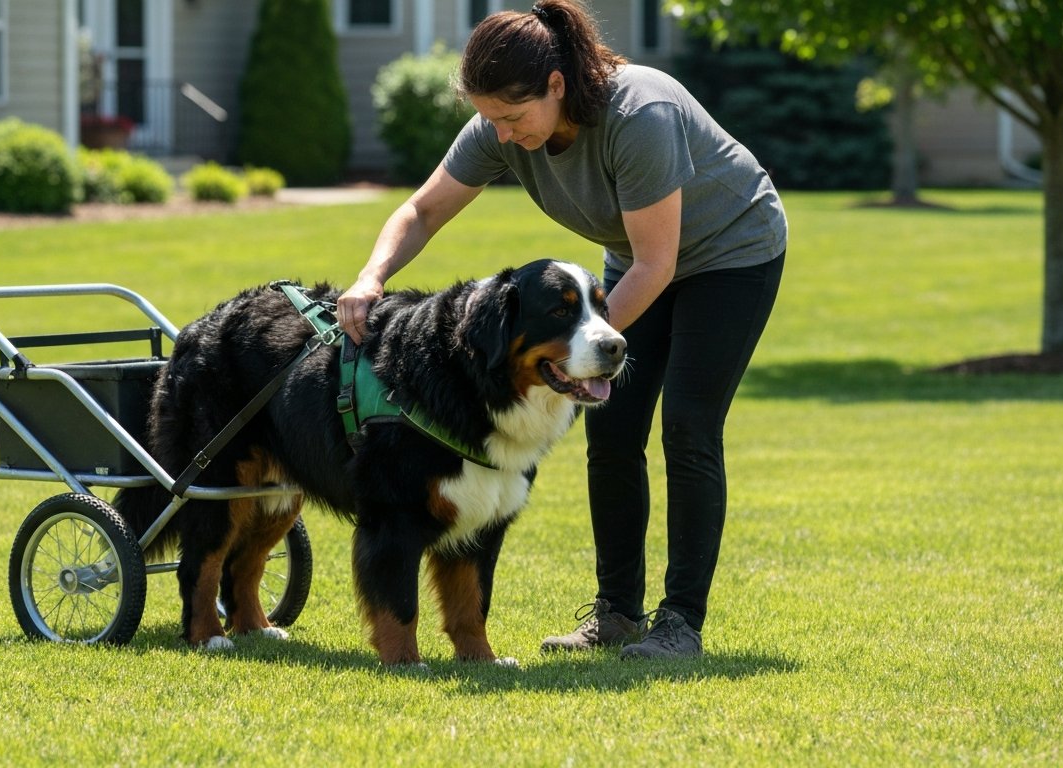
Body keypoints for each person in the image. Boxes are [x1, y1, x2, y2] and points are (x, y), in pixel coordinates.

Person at [336, 0, 786, 660]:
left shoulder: (641, 116)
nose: (503, 134)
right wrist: (371, 277)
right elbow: (424, 211)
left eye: (513, 118)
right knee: (610, 427)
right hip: (637, 257)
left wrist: (580, 352)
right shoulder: (500, 126)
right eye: (490, 118)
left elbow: (660, 263)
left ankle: (680, 623)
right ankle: (616, 614)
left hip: (730, 253)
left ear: (556, 86)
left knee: (688, 425)